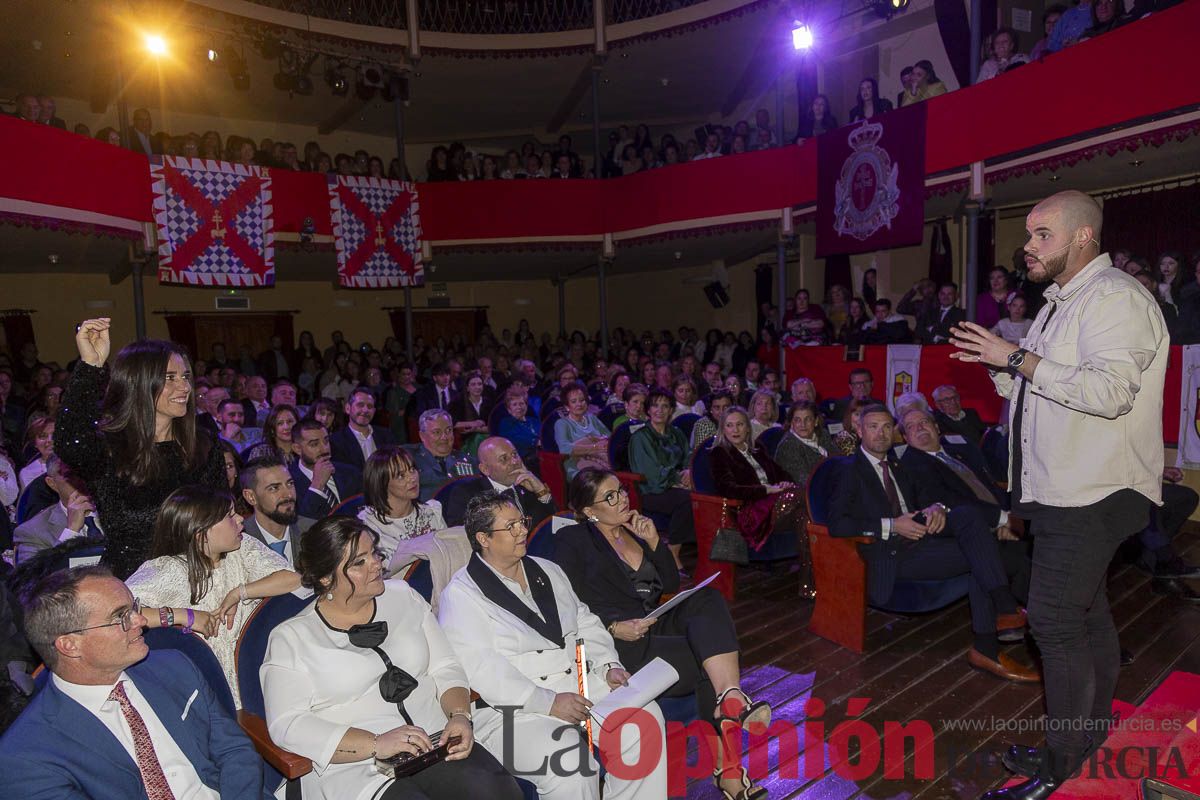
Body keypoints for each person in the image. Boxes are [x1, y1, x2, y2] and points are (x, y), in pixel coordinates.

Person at [951, 190, 1168, 799]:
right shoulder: (1059, 304)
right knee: (1085, 614)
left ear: (1082, 238)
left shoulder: (1116, 299)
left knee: (1052, 621)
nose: (1028, 246)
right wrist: (999, 366)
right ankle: (1089, 736)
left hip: (1093, 489)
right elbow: (1043, 389)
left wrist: (1014, 356)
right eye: (1028, 235)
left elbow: (1108, 393)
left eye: (1042, 234)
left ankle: (1062, 762)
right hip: (1062, 488)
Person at [262, 516, 521, 800]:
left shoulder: (403, 597)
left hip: (434, 740)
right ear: (325, 578)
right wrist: (375, 743)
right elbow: (287, 724)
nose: (376, 563)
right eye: (358, 563)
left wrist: (460, 716)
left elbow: (445, 666)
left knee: (501, 793)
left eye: (373, 552)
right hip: (357, 767)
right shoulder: (292, 637)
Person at [437, 492, 668, 800]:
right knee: (572, 765)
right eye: (511, 526)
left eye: (522, 522)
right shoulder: (462, 594)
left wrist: (608, 666)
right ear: (484, 538)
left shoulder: (547, 569)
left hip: (578, 684)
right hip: (512, 711)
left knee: (644, 720)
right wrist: (547, 702)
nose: (522, 531)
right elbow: (482, 669)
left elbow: (584, 621)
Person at [554, 470, 769, 800]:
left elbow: (667, 585)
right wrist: (613, 625)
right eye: (610, 496)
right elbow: (569, 601)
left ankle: (729, 695)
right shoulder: (573, 540)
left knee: (707, 598)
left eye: (621, 490)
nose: (623, 498)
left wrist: (655, 541)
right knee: (704, 662)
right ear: (588, 510)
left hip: (652, 622)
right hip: (616, 640)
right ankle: (728, 769)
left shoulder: (634, 531)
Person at [3, 565, 273, 798]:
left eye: (134, 607)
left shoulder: (174, 667)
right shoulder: (26, 756)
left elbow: (235, 750)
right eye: (120, 617)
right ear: (70, 645)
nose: (141, 620)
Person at [829, 406, 1036, 679]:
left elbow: (927, 497)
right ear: (859, 431)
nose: (881, 433)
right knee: (981, 553)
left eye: (886, 426)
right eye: (873, 427)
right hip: (892, 553)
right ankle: (995, 629)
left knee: (967, 516)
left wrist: (936, 506)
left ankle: (1001, 617)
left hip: (924, 538)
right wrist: (892, 525)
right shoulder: (848, 470)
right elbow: (836, 524)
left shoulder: (898, 465)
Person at [54, 320, 226, 579]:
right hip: (134, 588)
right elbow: (69, 441)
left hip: (202, 580)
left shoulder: (204, 446)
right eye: (170, 378)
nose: (185, 388)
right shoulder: (110, 451)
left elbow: (221, 519)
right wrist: (91, 365)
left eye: (186, 377)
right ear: (140, 383)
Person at [126, 484, 300, 708]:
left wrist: (240, 592)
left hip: (257, 683)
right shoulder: (170, 569)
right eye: (229, 516)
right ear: (200, 534)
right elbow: (115, 614)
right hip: (203, 695)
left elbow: (293, 579)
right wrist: (185, 616)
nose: (240, 520)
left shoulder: (242, 549)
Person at [710, 407, 803, 553]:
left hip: (774, 502)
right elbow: (727, 489)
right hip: (751, 511)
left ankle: (809, 574)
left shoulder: (757, 448)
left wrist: (785, 482)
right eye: (729, 425)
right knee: (802, 496)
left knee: (804, 518)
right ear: (723, 430)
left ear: (747, 428)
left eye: (740, 424)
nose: (735, 430)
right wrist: (766, 489)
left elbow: (781, 473)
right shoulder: (720, 453)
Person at [628, 389, 696, 569]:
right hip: (651, 490)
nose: (660, 410)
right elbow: (650, 473)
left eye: (665, 406)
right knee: (688, 500)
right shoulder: (640, 437)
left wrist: (689, 471)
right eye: (655, 405)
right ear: (648, 410)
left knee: (703, 496)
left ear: (671, 410)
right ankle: (673, 551)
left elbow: (688, 457)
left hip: (676, 486)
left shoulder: (676, 433)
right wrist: (677, 479)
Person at [441, 436, 556, 530]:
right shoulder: (466, 494)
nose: (515, 462)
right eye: (504, 459)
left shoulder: (527, 485)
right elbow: (463, 537)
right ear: (485, 469)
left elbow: (551, 525)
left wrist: (541, 491)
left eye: (515, 454)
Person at [358, 445, 447, 563]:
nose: (412, 478)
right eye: (401, 476)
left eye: (412, 469)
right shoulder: (369, 525)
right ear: (382, 483)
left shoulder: (432, 512)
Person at [14, 455, 102, 564]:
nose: (82, 481)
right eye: (71, 475)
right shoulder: (32, 532)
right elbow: (32, 579)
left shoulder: (119, 511)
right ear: (52, 483)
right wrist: (71, 532)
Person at [240, 455, 311, 569]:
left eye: (290, 484)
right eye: (274, 488)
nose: (288, 494)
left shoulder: (313, 531)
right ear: (251, 497)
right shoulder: (239, 541)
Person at [289, 418, 364, 519]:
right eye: (314, 444)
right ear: (297, 449)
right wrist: (317, 485)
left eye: (326, 441)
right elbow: (301, 524)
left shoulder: (351, 472)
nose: (324, 448)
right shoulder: (289, 482)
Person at [411, 410, 477, 502]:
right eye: (437, 432)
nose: (444, 437)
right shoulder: (410, 460)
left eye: (448, 430)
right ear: (422, 436)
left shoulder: (468, 461)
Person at [330, 388, 398, 471]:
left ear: (374, 411)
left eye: (370, 406)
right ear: (348, 408)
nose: (365, 410)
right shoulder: (336, 441)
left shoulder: (386, 436)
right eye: (360, 405)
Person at [553, 381, 611, 479]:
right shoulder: (561, 424)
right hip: (576, 465)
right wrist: (594, 447)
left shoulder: (592, 418)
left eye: (582, 400)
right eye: (574, 401)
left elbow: (609, 437)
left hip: (601, 459)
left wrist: (600, 442)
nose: (579, 404)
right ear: (567, 406)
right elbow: (565, 449)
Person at [773, 401, 836, 489]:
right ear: (792, 423)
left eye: (808, 419)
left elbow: (837, 459)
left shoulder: (823, 434)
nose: (803, 424)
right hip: (807, 492)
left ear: (816, 421)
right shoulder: (788, 445)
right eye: (797, 420)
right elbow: (805, 480)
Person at [495, 388, 540, 470]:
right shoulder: (506, 423)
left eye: (521, 403)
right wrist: (536, 441)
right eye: (514, 404)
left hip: (541, 457)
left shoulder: (534, 421)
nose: (519, 407)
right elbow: (515, 440)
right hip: (522, 461)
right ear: (509, 409)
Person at [18, 415, 54, 490]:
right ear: (35, 443)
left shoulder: (75, 464)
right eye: (43, 436)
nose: (49, 440)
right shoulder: (27, 473)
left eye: (54, 435)